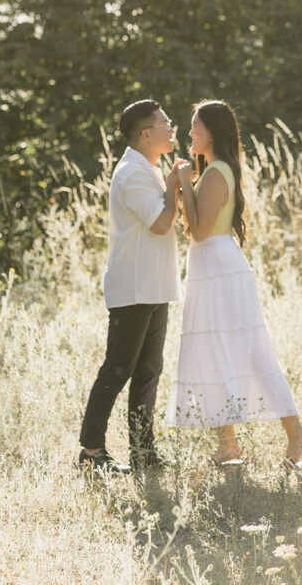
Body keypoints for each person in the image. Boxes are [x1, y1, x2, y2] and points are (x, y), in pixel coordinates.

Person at [166, 99, 302, 467]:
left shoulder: (215, 173)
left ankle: (297, 438)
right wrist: (184, 188)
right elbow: (193, 228)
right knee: (216, 353)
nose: (189, 132)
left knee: (251, 351)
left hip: (219, 267)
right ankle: (228, 445)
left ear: (212, 131)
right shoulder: (212, 170)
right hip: (209, 265)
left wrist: (185, 182)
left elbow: (198, 232)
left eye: (195, 125)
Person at [79, 99, 183, 472]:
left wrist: (171, 184)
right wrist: (174, 185)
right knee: (119, 369)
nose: (172, 128)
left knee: (149, 370)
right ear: (146, 133)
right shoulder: (134, 173)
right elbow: (160, 223)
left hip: (154, 286)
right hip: (134, 288)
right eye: (165, 123)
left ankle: (143, 451)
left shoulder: (149, 168)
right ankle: (91, 453)